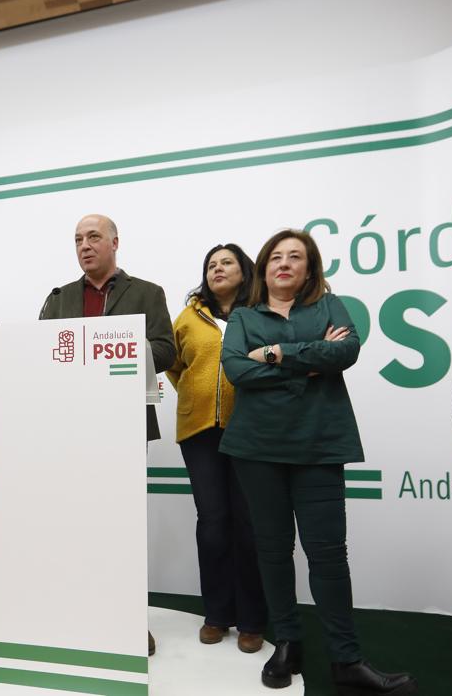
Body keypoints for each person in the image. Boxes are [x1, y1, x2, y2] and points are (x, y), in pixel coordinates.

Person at [221, 229, 415, 694]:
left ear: (310, 269)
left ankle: (346, 660)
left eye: (296, 257)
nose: (284, 263)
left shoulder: (330, 305)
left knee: (328, 556)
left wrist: (276, 353)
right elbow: (236, 370)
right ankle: (287, 642)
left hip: (321, 445)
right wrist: (310, 362)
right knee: (272, 550)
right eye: (276, 257)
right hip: (256, 449)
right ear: (264, 267)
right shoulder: (244, 316)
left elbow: (345, 351)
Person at [39, 213, 174, 656]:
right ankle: (77, 612)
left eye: (93, 237)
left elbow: (166, 349)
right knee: (76, 525)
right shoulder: (59, 298)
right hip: (72, 427)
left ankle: (128, 619)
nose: (84, 245)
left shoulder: (147, 293)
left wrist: (110, 347)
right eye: (77, 239)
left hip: (123, 423)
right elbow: (41, 353)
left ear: (116, 242)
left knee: (121, 527)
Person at [166, 244, 267, 653]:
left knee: (248, 524)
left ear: (245, 271)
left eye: (226, 263)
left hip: (250, 430)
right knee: (212, 523)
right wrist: (196, 395)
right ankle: (217, 614)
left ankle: (252, 619)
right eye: (211, 264)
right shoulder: (188, 317)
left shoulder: (260, 312)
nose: (218, 269)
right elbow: (173, 365)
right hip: (200, 432)